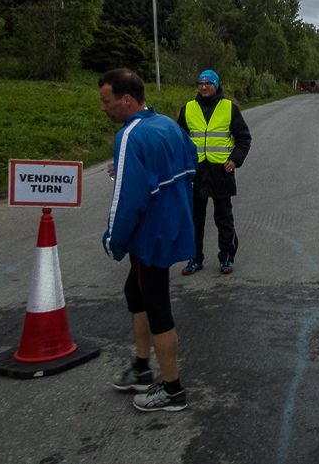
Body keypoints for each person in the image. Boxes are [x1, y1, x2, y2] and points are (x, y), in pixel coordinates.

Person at [99, 68, 198, 413]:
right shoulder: (169, 125)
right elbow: (190, 163)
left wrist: (113, 238)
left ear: (126, 100)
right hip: (171, 226)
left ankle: (172, 390)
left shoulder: (129, 136)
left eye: (106, 101)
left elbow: (129, 202)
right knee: (135, 292)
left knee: (157, 306)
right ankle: (142, 368)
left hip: (149, 235)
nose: (103, 108)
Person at [176, 70, 252, 275]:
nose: (204, 87)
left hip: (221, 170)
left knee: (224, 217)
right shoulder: (188, 109)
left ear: (216, 85)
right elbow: (179, 140)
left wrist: (235, 159)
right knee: (194, 219)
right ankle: (194, 259)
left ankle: (226, 257)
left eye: (208, 83)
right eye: (200, 83)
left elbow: (244, 138)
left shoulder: (229, 108)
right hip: (196, 172)